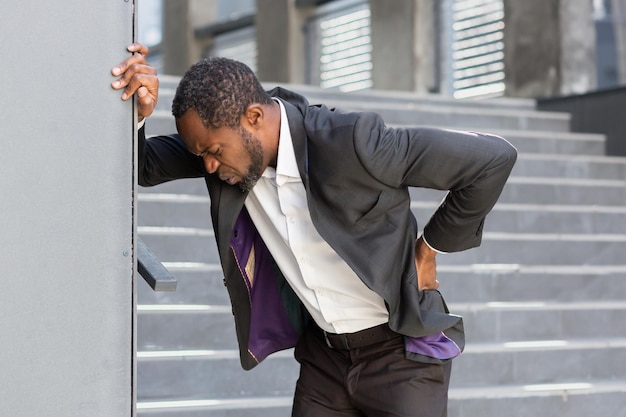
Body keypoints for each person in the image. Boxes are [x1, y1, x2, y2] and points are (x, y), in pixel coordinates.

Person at [112, 43, 517, 417]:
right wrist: (136, 115)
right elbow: (144, 165)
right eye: (201, 155)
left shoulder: (354, 143)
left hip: (401, 356)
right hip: (324, 359)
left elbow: (491, 159)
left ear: (254, 118)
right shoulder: (225, 145)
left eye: (214, 152)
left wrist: (429, 248)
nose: (209, 168)